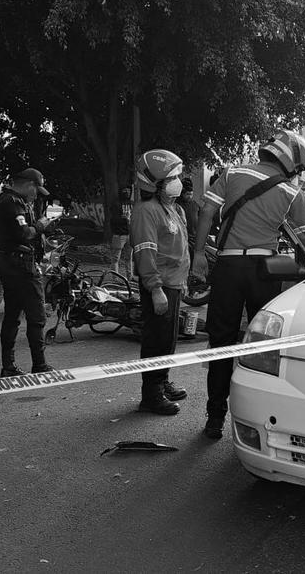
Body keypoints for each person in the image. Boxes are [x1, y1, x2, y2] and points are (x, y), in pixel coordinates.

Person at [192, 130, 305, 439]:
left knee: (221, 344)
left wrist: (199, 253)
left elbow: (205, 211)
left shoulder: (231, 174)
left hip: (228, 268)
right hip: (263, 273)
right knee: (263, 349)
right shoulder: (290, 193)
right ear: (290, 162)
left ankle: (214, 417)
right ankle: (260, 422)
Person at [129, 150, 191, 415]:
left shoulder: (173, 208)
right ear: (154, 183)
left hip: (174, 284)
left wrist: (183, 281)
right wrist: (155, 289)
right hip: (160, 285)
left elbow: (179, 247)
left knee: (168, 340)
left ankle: (162, 381)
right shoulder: (146, 211)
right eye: (171, 177)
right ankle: (151, 395)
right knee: (156, 340)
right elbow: (145, 252)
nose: (177, 181)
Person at [0, 168, 59, 377]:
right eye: (36, 190)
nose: (37, 194)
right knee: (36, 315)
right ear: (29, 184)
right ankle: (39, 365)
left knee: (12, 314)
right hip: (20, 265)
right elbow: (24, 233)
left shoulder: (13, 201)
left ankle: (8, 366)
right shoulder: (12, 202)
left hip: (12, 263)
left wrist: (45, 227)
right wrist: (41, 224)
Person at [109, 186, 133, 276]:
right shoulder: (116, 204)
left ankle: (129, 277)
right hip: (119, 235)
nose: (127, 192)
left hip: (129, 234)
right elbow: (113, 220)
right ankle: (115, 278)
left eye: (129, 190)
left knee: (129, 257)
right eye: (125, 190)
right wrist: (126, 219)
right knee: (115, 258)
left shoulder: (131, 204)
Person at [176, 177, 199, 271]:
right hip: (182, 240)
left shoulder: (195, 204)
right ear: (182, 194)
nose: (189, 196)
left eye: (191, 194)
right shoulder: (177, 205)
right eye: (187, 194)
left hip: (194, 238)